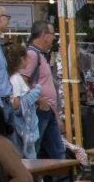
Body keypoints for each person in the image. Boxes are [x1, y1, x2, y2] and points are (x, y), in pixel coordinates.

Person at [25, 21, 66, 160]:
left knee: (57, 150)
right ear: (44, 35)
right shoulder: (32, 55)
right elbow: (22, 81)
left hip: (47, 110)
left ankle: (63, 181)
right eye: (52, 34)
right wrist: (38, 100)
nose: (54, 38)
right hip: (39, 110)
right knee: (35, 149)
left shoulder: (39, 55)